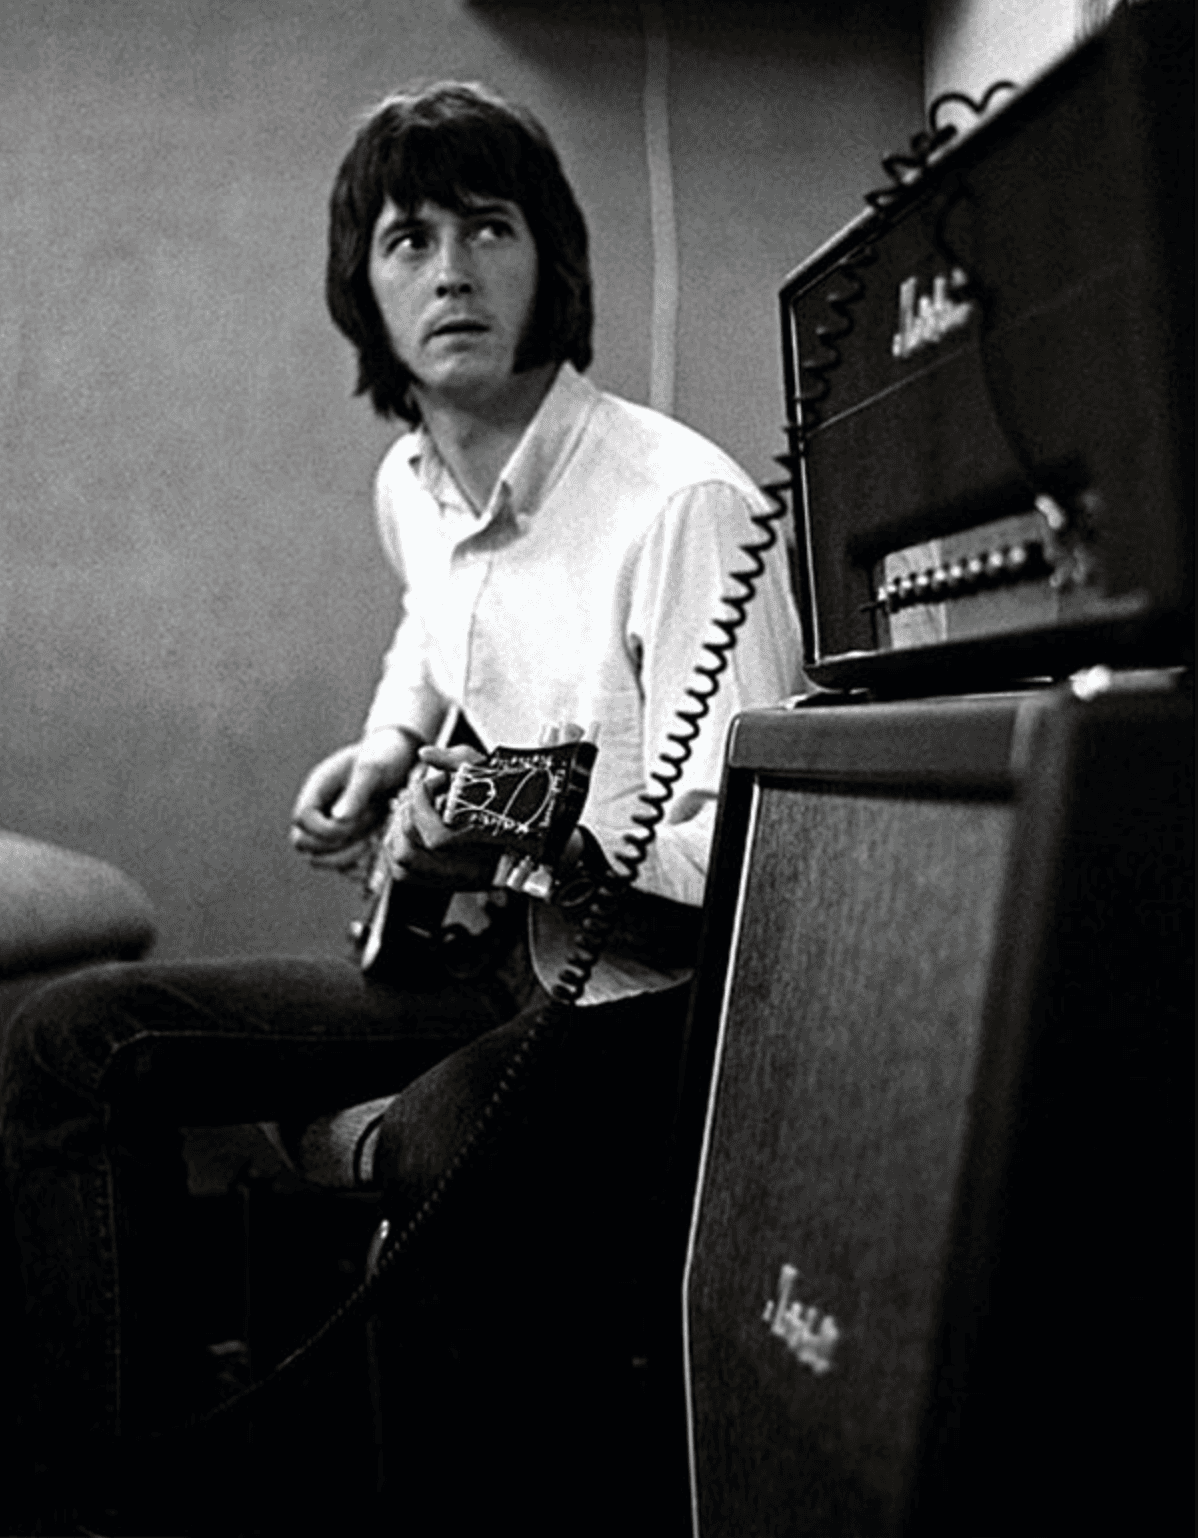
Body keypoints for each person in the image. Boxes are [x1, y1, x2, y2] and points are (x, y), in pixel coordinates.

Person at [0, 81, 800, 1533]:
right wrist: (385, 753)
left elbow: (758, 860)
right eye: (407, 238)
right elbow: (433, 634)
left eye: (488, 228)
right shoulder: (411, 483)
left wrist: (528, 833)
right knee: (67, 1038)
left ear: (549, 260)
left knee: (439, 1136)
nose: (450, 270)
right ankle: (117, 1483)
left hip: (655, 1005)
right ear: (360, 293)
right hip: (488, 964)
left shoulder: (681, 505)